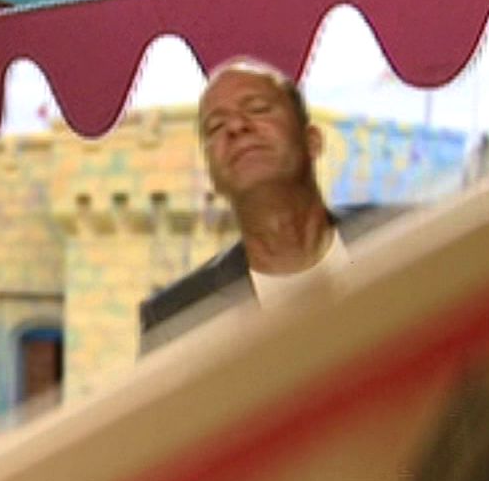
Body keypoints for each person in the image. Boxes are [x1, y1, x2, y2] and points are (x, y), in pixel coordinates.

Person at [139, 58, 397, 354]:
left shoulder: (406, 234)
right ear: (213, 175)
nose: (236, 126)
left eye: (258, 109)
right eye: (216, 126)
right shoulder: (174, 323)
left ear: (312, 141)